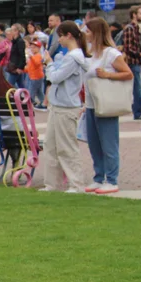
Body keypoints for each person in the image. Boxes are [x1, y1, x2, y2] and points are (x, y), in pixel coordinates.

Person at [83, 17, 134, 194]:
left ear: (96, 33)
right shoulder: (92, 54)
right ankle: (99, 176)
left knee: (109, 143)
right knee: (94, 143)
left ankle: (111, 179)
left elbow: (128, 74)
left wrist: (107, 75)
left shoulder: (111, 54)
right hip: (91, 105)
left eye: (88, 31)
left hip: (106, 104)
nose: (85, 34)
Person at [40, 21, 89, 194]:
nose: (59, 39)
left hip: (66, 107)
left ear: (69, 35)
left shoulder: (74, 57)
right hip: (58, 105)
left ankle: (76, 185)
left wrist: (49, 63)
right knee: (50, 145)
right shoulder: (70, 55)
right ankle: (52, 184)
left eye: (60, 35)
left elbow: (55, 77)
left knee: (67, 147)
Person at [24, 38, 45, 110]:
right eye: (31, 47)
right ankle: (43, 102)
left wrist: (31, 57)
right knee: (38, 91)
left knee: (31, 90)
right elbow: (30, 67)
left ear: (39, 48)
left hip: (37, 77)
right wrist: (24, 69)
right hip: (33, 76)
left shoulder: (38, 56)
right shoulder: (33, 56)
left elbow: (37, 63)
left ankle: (29, 103)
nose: (32, 49)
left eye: (34, 47)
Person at [5, 24, 27, 88]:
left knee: (9, 85)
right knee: (21, 85)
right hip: (14, 66)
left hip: (16, 67)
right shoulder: (14, 42)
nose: (10, 32)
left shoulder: (20, 42)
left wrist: (20, 67)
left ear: (16, 31)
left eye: (12, 30)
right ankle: (25, 96)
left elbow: (22, 55)